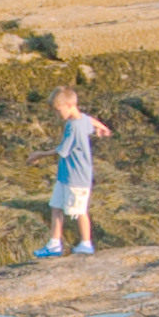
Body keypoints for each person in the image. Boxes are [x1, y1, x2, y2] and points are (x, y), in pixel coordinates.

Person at [36, 86, 102, 259]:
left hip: (77, 178)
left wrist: (39, 155)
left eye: (59, 111)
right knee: (56, 207)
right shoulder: (82, 120)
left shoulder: (73, 126)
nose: (58, 115)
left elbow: (62, 150)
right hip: (64, 175)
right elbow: (91, 121)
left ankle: (86, 243)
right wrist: (102, 127)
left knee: (79, 211)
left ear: (69, 105)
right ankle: (54, 243)